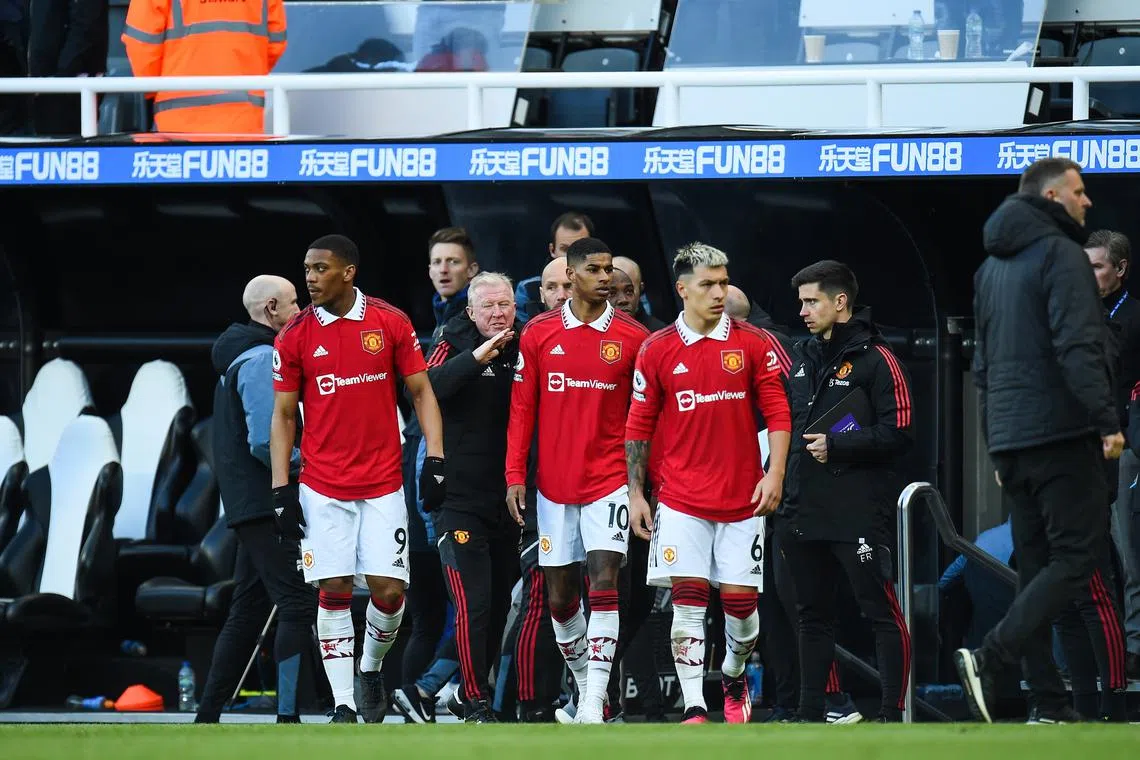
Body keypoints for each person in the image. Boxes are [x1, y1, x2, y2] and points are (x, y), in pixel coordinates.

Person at [959, 157, 1124, 724]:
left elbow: (981, 366)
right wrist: (1107, 421)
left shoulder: (989, 269)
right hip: (1063, 429)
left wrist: (995, 441)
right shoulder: (1060, 256)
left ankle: (1049, 704)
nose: (1088, 202)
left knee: (1034, 568)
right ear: (1053, 197)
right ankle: (991, 657)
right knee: (1078, 558)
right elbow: (1078, 345)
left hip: (1011, 440)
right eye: (1080, 192)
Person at [269, 234, 446, 724]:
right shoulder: (295, 335)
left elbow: (421, 392)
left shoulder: (389, 322)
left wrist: (435, 459)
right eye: (306, 268)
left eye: (320, 268)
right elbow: (284, 416)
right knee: (335, 587)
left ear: (348, 272)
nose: (309, 277)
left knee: (390, 592)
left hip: (383, 483)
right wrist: (281, 487)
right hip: (322, 486)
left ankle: (370, 667)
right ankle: (345, 702)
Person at [625, 242, 792, 724]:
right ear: (682, 290)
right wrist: (637, 493)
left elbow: (779, 412)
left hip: (744, 497)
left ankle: (735, 673)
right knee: (689, 601)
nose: (720, 292)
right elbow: (638, 424)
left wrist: (775, 473)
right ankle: (696, 704)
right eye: (708, 284)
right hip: (679, 499)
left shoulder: (752, 343)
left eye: (723, 282)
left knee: (741, 610)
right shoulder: (656, 349)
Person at [504, 236, 650, 724]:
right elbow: (522, 409)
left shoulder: (633, 336)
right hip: (552, 486)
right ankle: (590, 688)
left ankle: (590, 702)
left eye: (610, 268)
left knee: (605, 580)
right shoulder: (540, 333)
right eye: (596, 269)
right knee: (562, 597)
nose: (606, 277)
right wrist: (513, 475)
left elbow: (646, 417)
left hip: (609, 479)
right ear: (571, 276)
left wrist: (641, 485)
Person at [780, 259, 914, 723]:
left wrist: (838, 445)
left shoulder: (878, 359)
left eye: (811, 301)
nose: (803, 311)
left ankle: (892, 713)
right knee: (811, 614)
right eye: (800, 302)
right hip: (803, 508)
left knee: (878, 608)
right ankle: (809, 712)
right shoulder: (801, 356)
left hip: (858, 508)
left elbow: (899, 430)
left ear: (840, 303)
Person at [195, 275, 316, 725]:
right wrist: (315, 464)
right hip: (270, 504)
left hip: (248, 505)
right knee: (297, 604)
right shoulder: (263, 358)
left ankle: (207, 716)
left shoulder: (236, 355)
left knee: (246, 610)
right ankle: (288, 717)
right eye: (293, 303)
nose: (300, 309)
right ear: (271, 310)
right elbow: (268, 441)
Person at [418, 272, 525, 723]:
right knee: (472, 602)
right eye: (489, 307)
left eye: (505, 304)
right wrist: (478, 356)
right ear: (471, 311)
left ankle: (466, 693)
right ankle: (475, 699)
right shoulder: (452, 337)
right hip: (458, 497)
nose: (499, 313)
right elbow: (425, 388)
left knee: (501, 603)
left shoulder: (526, 342)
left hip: (507, 496)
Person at [1085, 229, 1140, 677]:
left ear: (1119, 270)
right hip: (1080, 450)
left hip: (1125, 447)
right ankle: (1103, 648)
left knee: (1129, 551)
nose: (1088, 276)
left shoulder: (1136, 317)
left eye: (1097, 267)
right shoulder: (1075, 316)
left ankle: (1134, 645)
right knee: (1091, 554)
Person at [122, 0, 286, 133]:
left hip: (178, 123)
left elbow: (141, 46)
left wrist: (156, 88)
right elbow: (275, 42)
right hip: (244, 121)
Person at [515, 212, 594, 314]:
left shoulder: (608, 285)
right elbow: (523, 328)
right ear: (552, 250)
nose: (571, 256)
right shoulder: (528, 289)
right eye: (565, 249)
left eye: (579, 249)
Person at [610, 259, 666, 332]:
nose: (623, 300)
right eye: (612, 293)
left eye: (629, 291)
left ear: (640, 289)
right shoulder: (593, 332)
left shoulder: (657, 334)